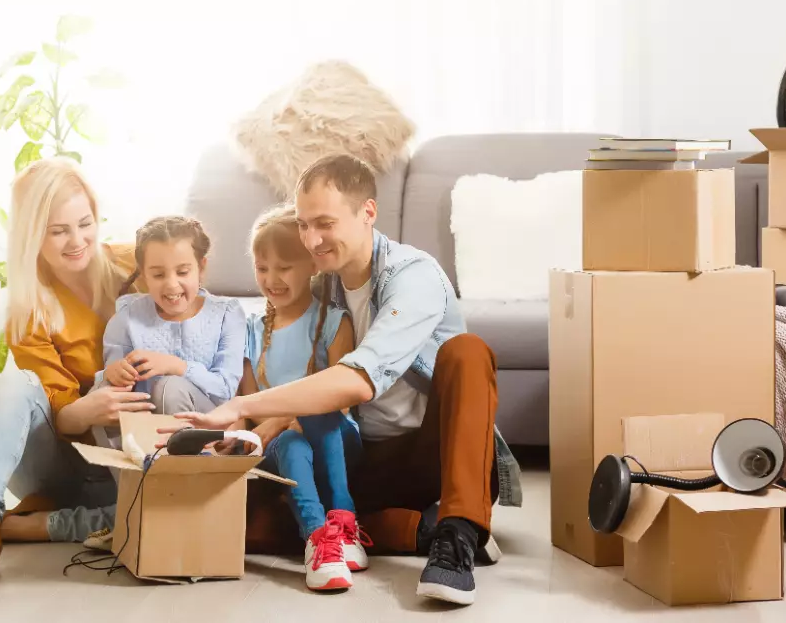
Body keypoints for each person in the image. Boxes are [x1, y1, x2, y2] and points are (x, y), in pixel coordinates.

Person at [160, 155, 522, 606]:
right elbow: (309, 386)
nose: (311, 240)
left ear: (367, 212)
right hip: (360, 458)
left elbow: (357, 380)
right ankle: (418, 529)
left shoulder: (414, 276)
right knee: (249, 527)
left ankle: (459, 530)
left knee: (467, 352)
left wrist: (242, 407)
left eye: (324, 223)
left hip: (435, 456)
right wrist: (246, 437)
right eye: (304, 224)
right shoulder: (320, 288)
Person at [0, 158, 154, 588]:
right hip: (63, 461)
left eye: (84, 223)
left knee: (156, 511)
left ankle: (41, 525)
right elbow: (60, 417)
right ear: (32, 235)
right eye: (58, 231)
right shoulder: (30, 310)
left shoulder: (137, 268)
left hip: (130, 457)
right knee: (13, 383)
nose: (77, 241)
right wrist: (89, 408)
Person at [237, 204, 365, 592]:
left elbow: (340, 400)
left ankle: (345, 523)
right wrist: (281, 424)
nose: (272, 279)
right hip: (281, 446)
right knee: (292, 440)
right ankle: (318, 540)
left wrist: (290, 415)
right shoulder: (249, 330)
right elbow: (252, 409)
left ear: (312, 265)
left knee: (321, 412)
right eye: (262, 268)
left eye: (284, 267)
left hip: (336, 441)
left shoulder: (334, 321)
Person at [96, 215, 245, 417]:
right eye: (158, 275)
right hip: (144, 425)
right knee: (100, 393)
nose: (171, 284)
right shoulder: (126, 318)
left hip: (206, 424)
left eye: (182, 272)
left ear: (201, 268)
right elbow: (113, 386)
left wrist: (177, 366)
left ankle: (180, 448)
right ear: (144, 274)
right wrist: (113, 373)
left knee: (171, 387)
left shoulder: (227, 314)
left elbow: (226, 389)